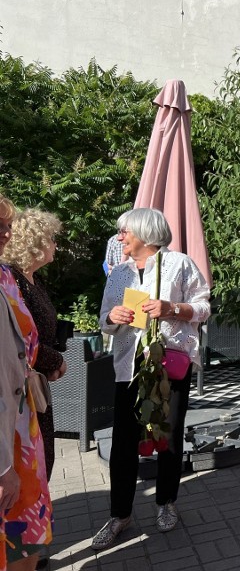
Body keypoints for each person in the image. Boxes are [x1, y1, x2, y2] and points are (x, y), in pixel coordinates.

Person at [91, 208, 210, 551]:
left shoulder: (180, 264)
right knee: (124, 442)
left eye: (124, 231)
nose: (119, 237)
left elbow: (203, 307)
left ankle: (166, 503)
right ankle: (120, 514)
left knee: (169, 437)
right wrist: (113, 316)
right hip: (129, 367)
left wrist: (172, 309)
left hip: (168, 365)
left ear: (144, 232)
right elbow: (104, 320)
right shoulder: (118, 274)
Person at [0, 193, 53, 571]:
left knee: (27, 535)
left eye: (7, 226)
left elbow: (29, 342)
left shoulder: (5, 278)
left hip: (23, 416)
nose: (6, 233)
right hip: (7, 431)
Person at [1, 208, 67, 480]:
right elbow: (21, 339)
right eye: (52, 238)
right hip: (18, 392)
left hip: (35, 387)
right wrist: (56, 360)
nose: (55, 244)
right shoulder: (11, 281)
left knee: (43, 465)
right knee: (31, 471)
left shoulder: (33, 279)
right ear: (36, 242)